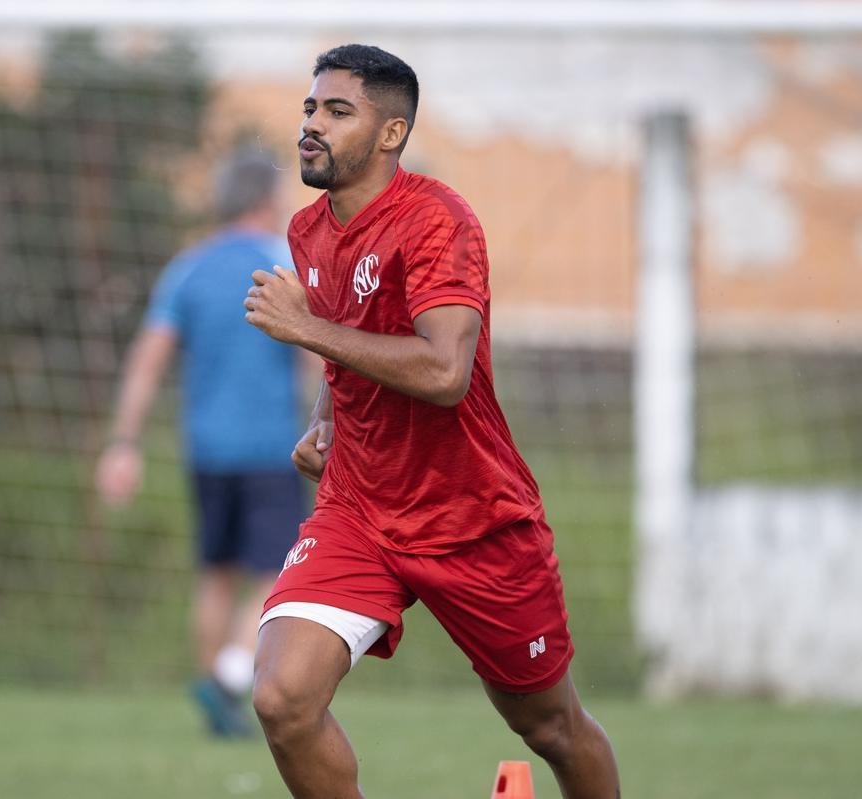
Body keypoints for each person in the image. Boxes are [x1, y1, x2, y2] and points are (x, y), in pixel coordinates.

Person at [243, 45, 622, 798]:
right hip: (359, 509)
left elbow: (445, 373)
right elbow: (350, 337)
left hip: (472, 515)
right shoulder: (308, 230)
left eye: (337, 111)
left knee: (549, 726)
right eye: (310, 109)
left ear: (391, 134)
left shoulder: (436, 221)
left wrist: (305, 329)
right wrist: (326, 418)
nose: (311, 126)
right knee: (282, 697)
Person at [96, 150, 308, 737]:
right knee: (280, 571)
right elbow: (316, 354)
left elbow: (147, 359)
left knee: (215, 576)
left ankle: (217, 707)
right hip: (271, 450)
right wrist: (334, 426)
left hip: (206, 451)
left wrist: (123, 442)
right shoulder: (281, 265)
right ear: (266, 201)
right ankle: (228, 681)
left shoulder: (187, 268)